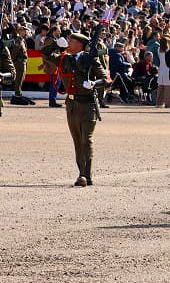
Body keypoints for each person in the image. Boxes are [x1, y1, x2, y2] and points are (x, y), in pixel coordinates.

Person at [41, 31, 108, 186]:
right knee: (77, 141)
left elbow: (105, 79)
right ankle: (82, 173)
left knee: (87, 140)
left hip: (88, 104)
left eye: (71, 42)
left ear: (79, 45)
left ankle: (85, 175)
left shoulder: (91, 59)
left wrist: (93, 84)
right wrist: (55, 45)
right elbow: (44, 53)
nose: (69, 44)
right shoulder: (64, 59)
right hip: (71, 105)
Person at [9, 25, 32, 105]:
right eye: (23, 30)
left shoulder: (22, 40)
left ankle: (18, 93)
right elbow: (15, 52)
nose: (25, 32)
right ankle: (17, 94)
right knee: (19, 79)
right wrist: (12, 61)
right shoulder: (18, 40)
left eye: (25, 30)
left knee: (21, 78)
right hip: (19, 62)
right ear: (20, 31)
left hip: (22, 62)